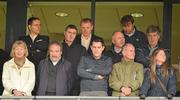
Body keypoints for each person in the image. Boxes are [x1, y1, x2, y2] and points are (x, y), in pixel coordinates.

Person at [62, 24, 87, 95]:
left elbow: (85, 66)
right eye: (69, 32)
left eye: (74, 33)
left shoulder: (81, 49)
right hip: (60, 83)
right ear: (64, 33)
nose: (71, 35)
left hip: (76, 84)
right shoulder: (58, 47)